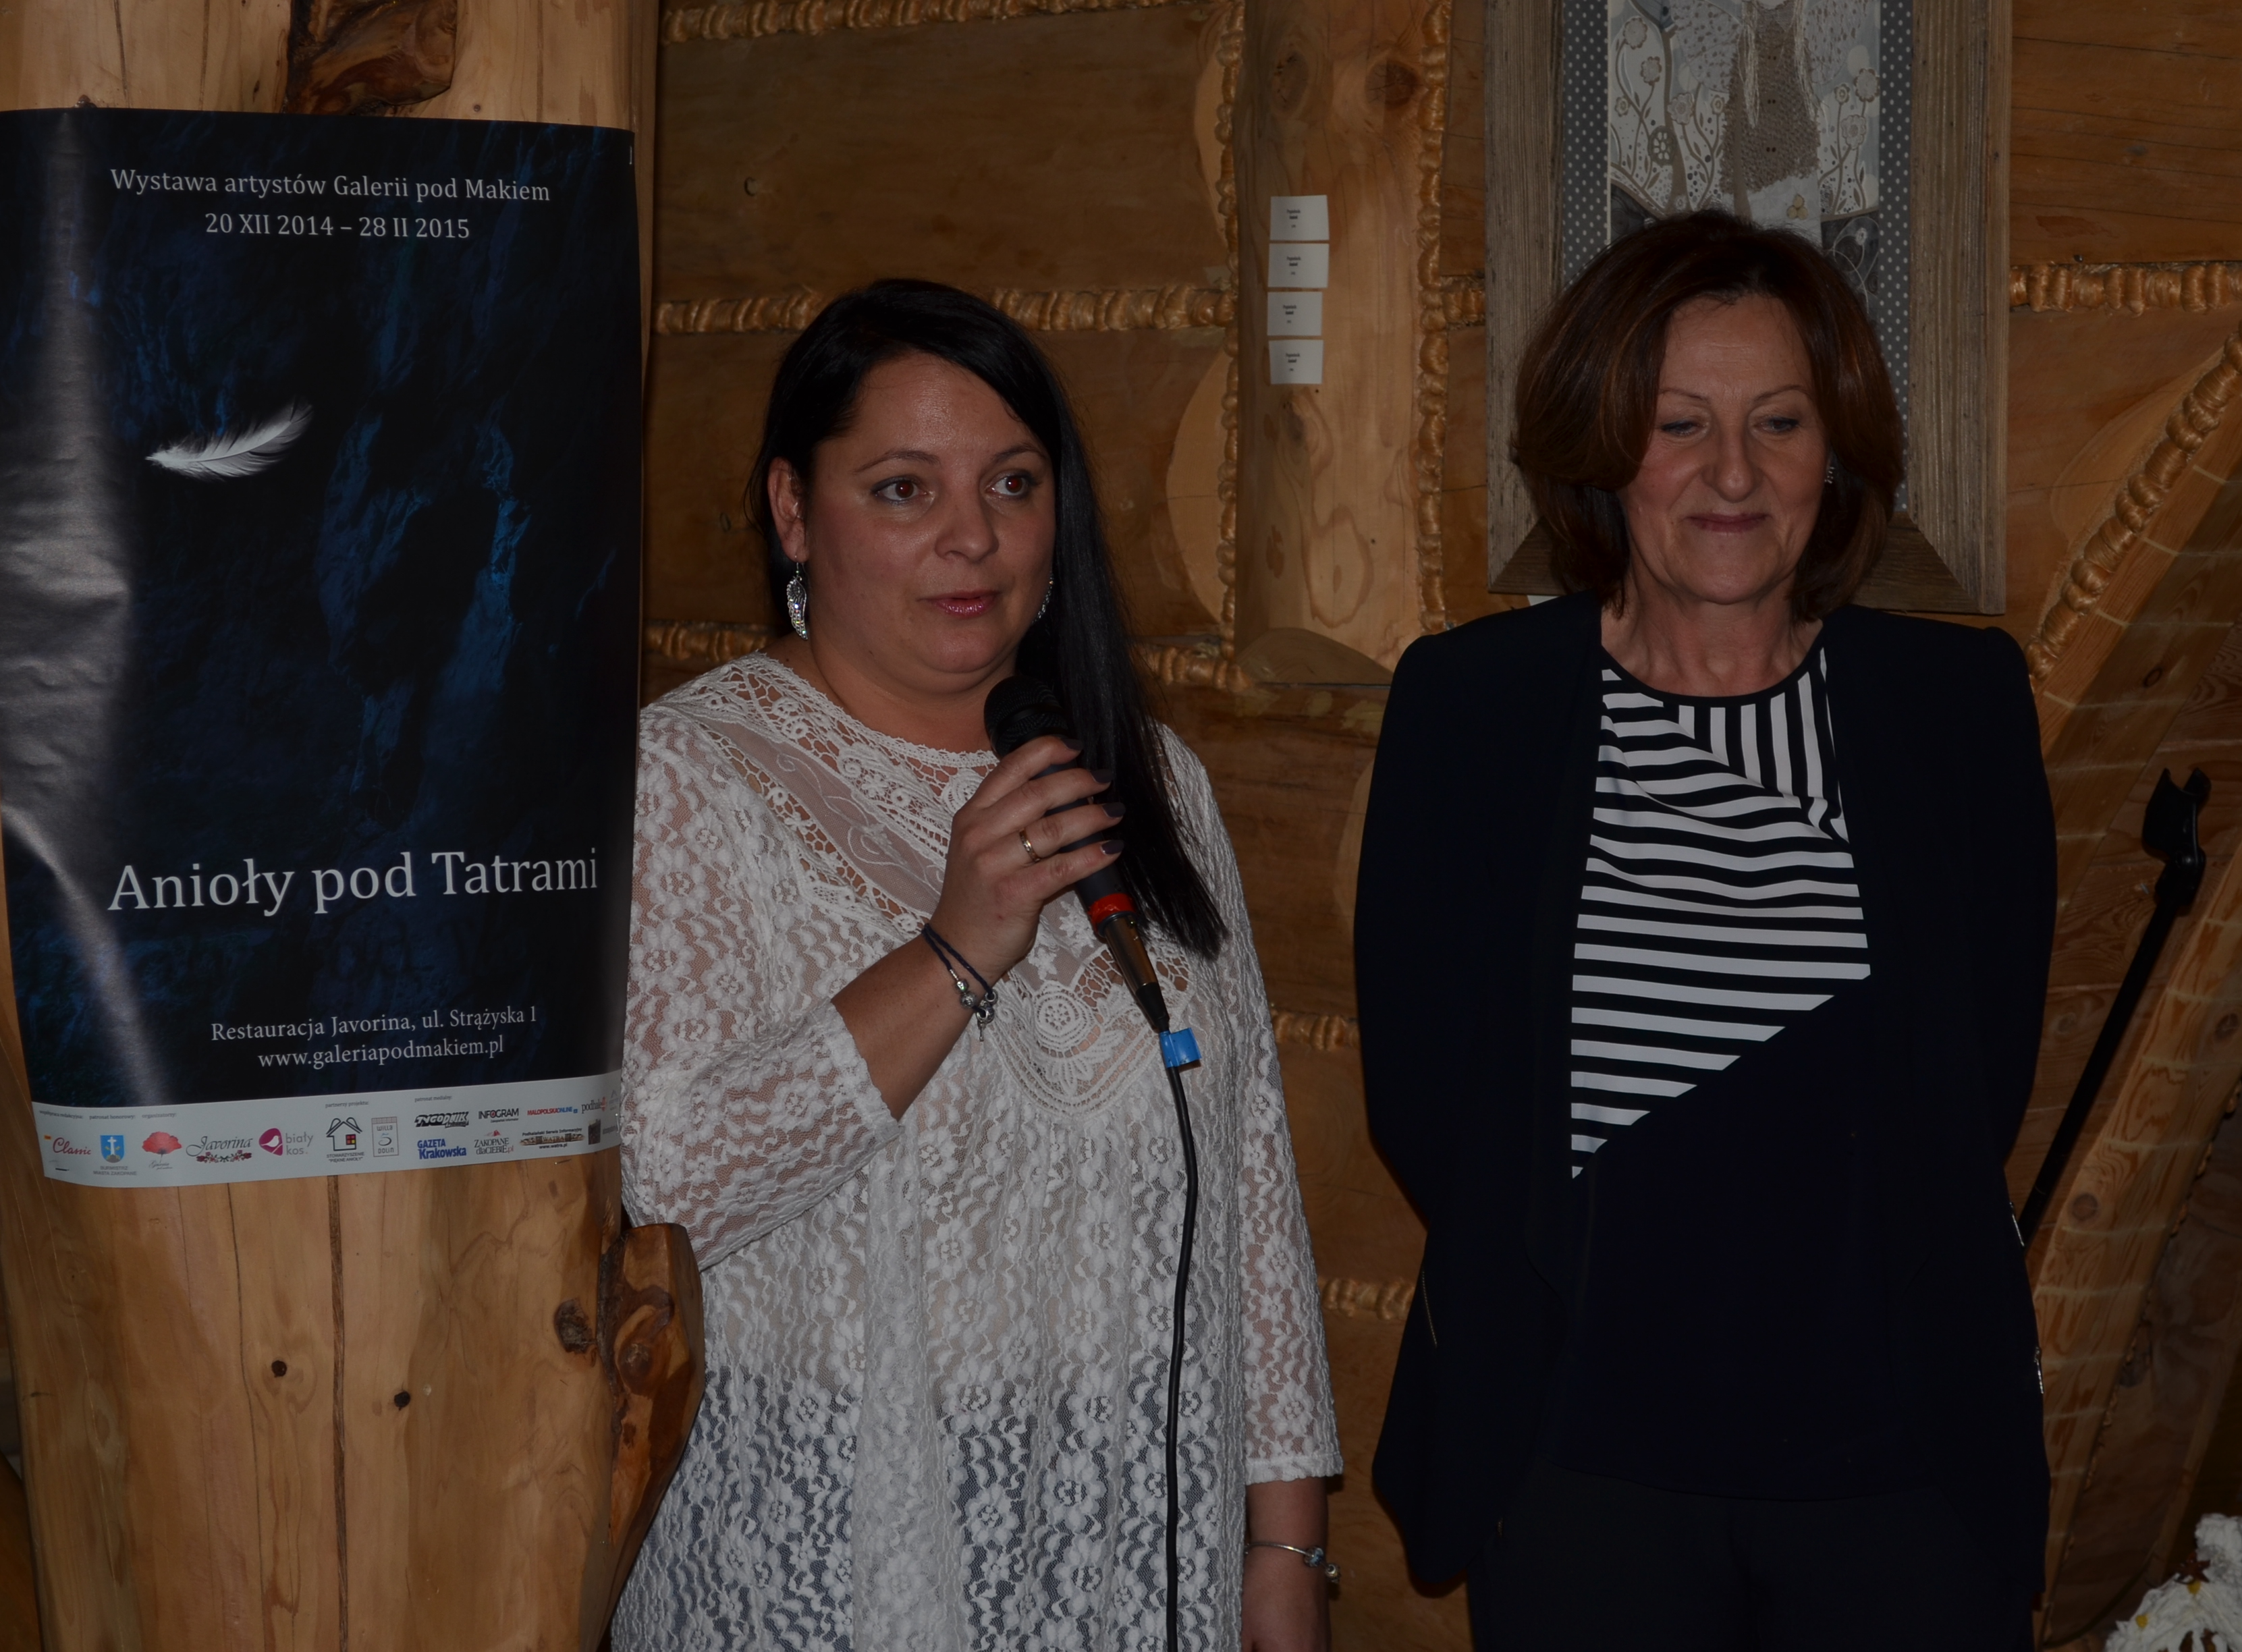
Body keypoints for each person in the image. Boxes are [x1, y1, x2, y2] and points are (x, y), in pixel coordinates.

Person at [1355, 212, 2053, 1649]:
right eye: (1680, 425)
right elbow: (1428, 1094)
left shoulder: (1955, 710)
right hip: (1580, 1476)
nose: (1733, 474)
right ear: (1603, 450)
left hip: (1900, 1482)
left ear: (1834, 455)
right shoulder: (1473, 709)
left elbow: (1979, 1075)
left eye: (1778, 423)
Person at [613, 280, 1340, 1652]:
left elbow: (1248, 1179)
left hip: (1135, 1528)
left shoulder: (1152, 778)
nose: (972, 537)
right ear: (792, 510)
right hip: (841, 1537)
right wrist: (955, 948)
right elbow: (671, 1184)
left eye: (1013, 483)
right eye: (903, 489)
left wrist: (1286, 1545)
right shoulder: (689, 777)